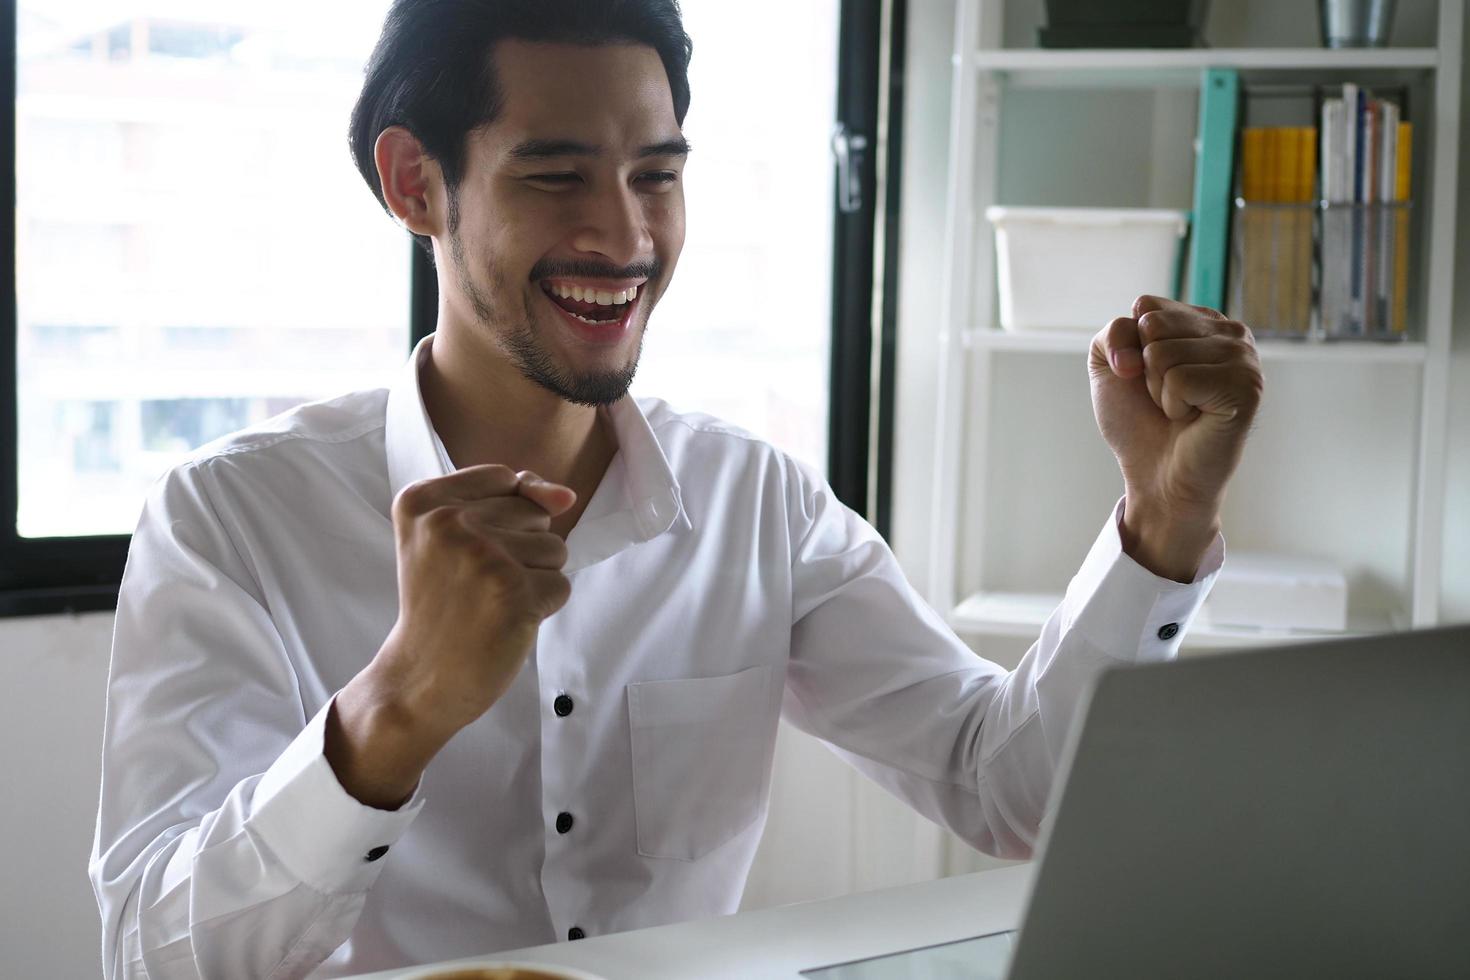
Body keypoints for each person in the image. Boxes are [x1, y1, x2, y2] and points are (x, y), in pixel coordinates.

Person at [88, 1, 1263, 977]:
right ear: (415, 185)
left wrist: (1163, 521)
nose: (624, 232)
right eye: (556, 175)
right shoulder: (228, 522)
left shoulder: (761, 505)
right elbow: (152, 951)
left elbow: (1008, 786)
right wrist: (394, 709)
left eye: (657, 174)